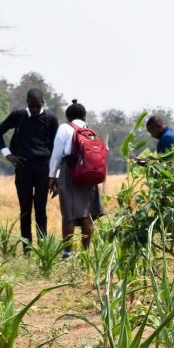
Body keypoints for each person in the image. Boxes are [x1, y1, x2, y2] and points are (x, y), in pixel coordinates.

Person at [0, 88, 59, 252]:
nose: (35, 110)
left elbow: (56, 148)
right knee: (25, 210)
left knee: (41, 209)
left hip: (44, 167)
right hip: (23, 167)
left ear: (43, 103)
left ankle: (43, 250)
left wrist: (55, 175)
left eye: (37, 106)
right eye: (32, 106)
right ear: (27, 103)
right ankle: (27, 250)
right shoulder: (18, 116)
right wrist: (9, 155)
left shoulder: (51, 119)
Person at [49, 100, 105, 257]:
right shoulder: (89, 131)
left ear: (68, 116)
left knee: (69, 212)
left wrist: (52, 176)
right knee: (86, 213)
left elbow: (56, 154)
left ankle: (67, 253)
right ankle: (86, 253)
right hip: (88, 174)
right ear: (84, 116)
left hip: (70, 172)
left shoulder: (65, 128)